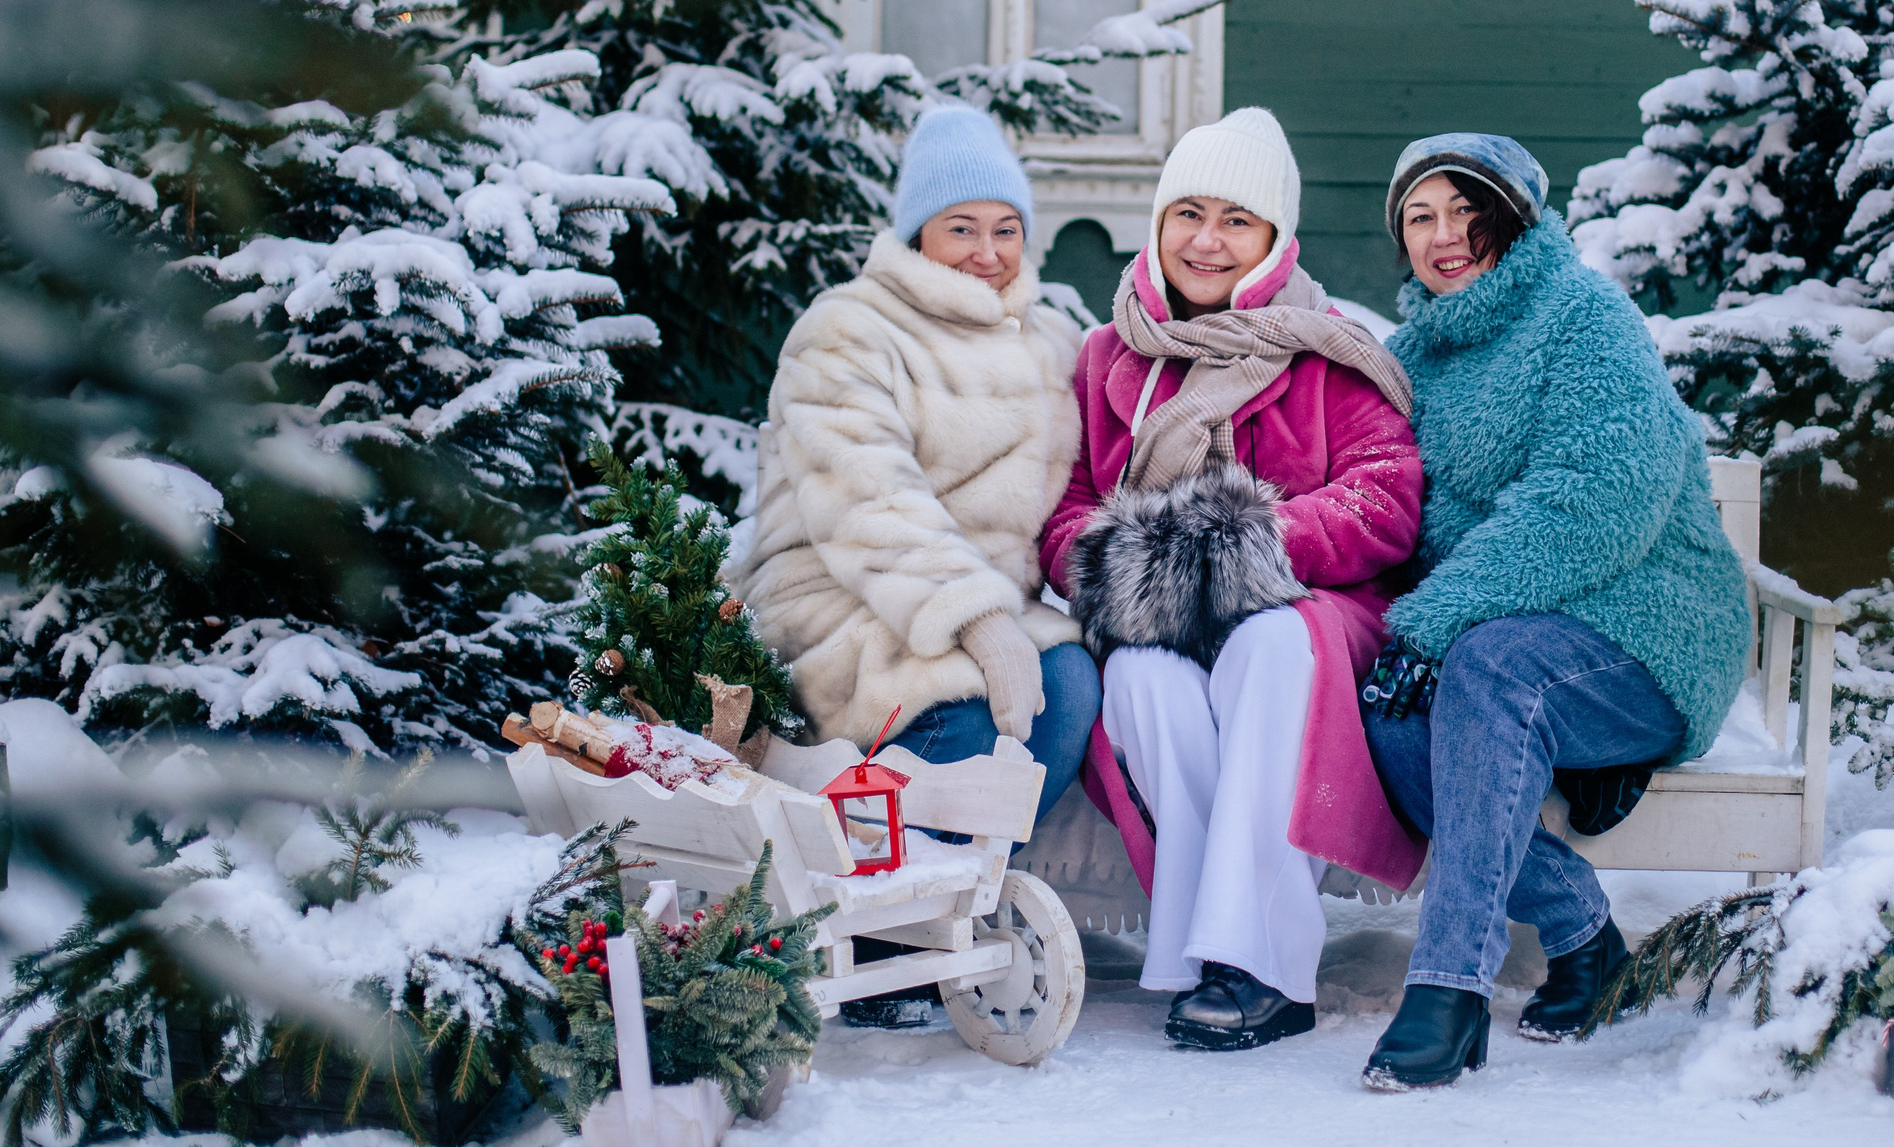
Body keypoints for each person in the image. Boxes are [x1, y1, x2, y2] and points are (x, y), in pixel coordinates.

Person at [1355, 133, 1754, 1092]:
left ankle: (1447, 991)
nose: (1445, 236)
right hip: (1510, 638)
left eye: (1467, 210)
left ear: (1517, 216)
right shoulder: (1408, 358)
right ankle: (1584, 936)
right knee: (1388, 716)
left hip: (1650, 629)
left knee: (1491, 669)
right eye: (1421, 217)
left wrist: (1435, 618)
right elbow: (1397, 510)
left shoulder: (1581, 314)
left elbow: (1593, 500)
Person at [1039, 107, 1425, 1052]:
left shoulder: (1329, 350)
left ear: (1273, 240)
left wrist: (1232, 556)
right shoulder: (1107, 355)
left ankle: (1268, 964)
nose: (1206, 241)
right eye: (1188, 213)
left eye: (1235, 221)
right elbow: (1067, 513)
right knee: (1137, 679)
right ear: (1160, 221)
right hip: (1152, 620)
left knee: (1264, 640)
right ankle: (1204, 949)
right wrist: (1134, 575)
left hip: (1310, 619)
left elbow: (1385, 499)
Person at [737, 101, 1100, 812]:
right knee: (966, 707)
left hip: (984, 610)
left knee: (1072, 685)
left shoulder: (1051, 342)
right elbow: (868, 497)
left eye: (1006, 230)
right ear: (916, 235)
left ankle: (963, 886)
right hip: (843, 602)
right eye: (960, 229)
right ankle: (888, 895)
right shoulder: (847, 329)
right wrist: (978, 617)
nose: (987, 254)